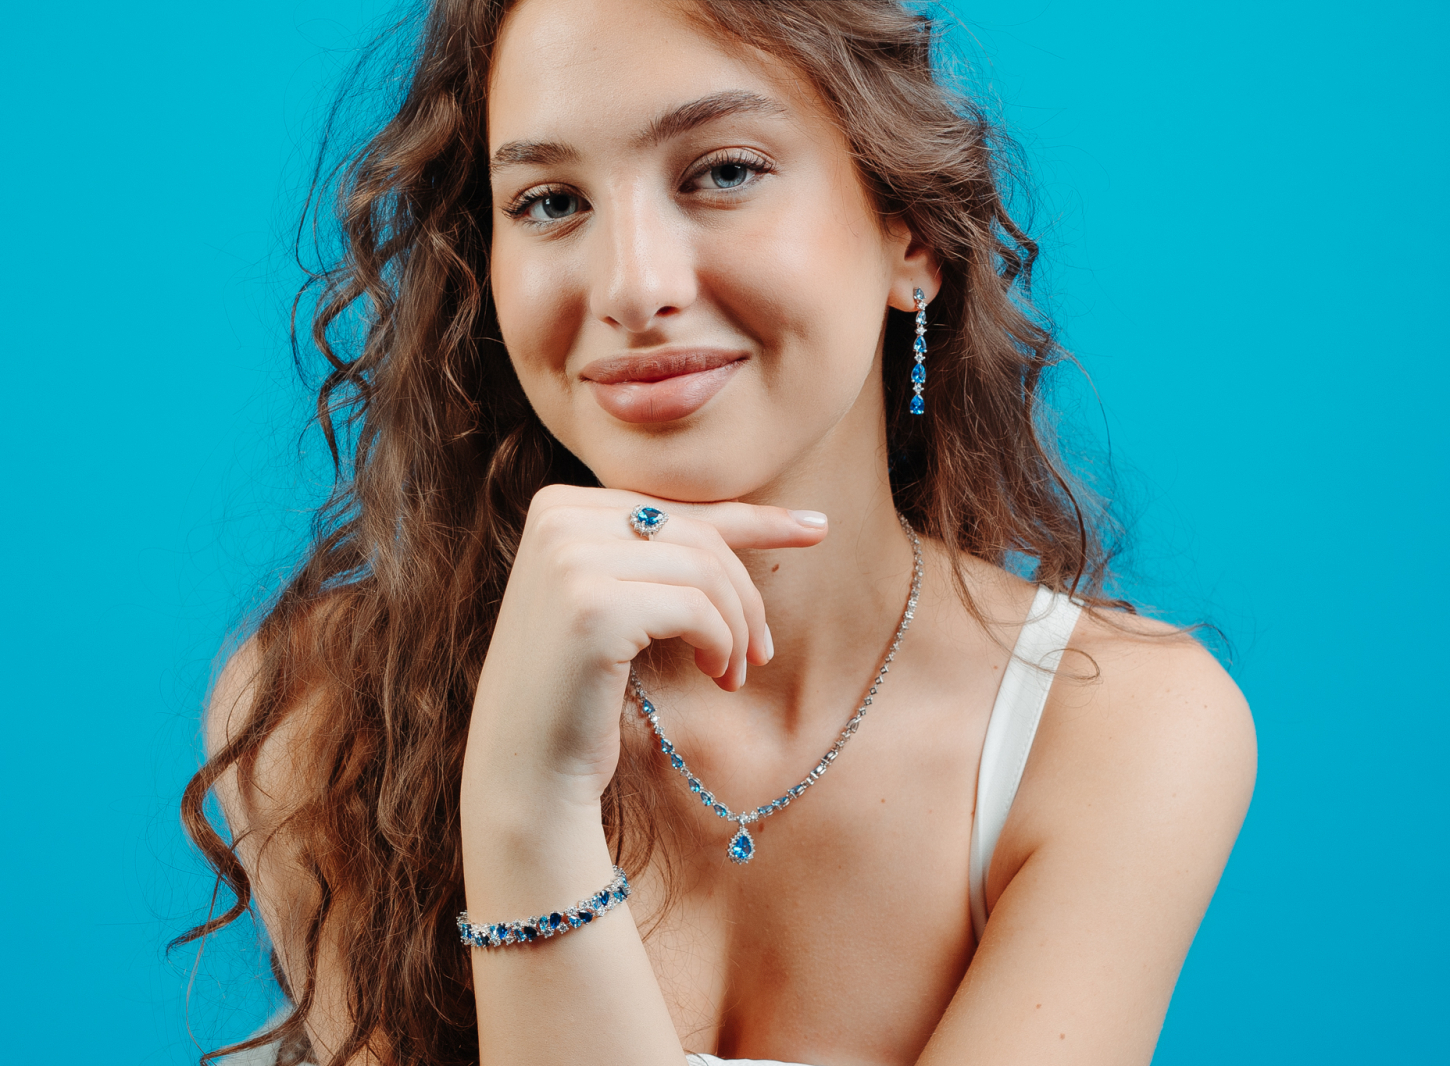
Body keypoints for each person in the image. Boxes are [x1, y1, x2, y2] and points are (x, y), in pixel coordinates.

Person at [182, 2, 1256, 1064]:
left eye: (724, 172)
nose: (634, 286)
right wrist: (519, 787)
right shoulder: (325, 713)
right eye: (550, 201)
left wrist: (526, 819)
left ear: (911, 234)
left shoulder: (1116, 730)